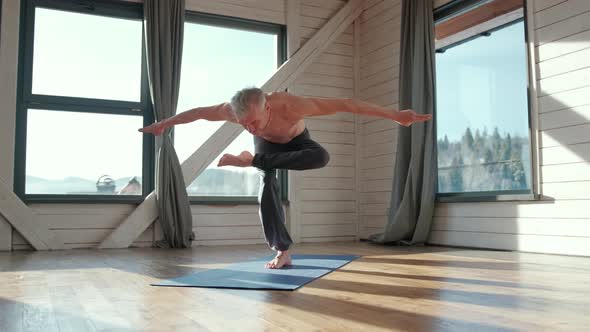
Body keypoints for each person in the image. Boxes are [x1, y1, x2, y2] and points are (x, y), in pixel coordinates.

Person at [139, 88, 432, 269]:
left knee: (321, 157)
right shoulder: (233, 112)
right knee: (267, 187)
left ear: (267, 106)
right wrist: (164, 124)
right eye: (244, 125)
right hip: (268, 149)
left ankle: (253, 161)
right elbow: (199, 113)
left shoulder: (291, 106)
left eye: (254, 122)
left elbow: (347, 103)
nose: (250, 129)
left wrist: (395, 115)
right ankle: (283, 252)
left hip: (296, 143)